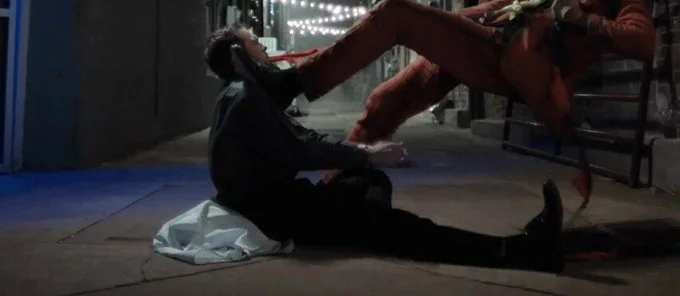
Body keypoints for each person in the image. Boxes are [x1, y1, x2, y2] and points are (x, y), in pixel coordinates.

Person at [232, 0, 656, 205]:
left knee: (395, 12)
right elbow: (495, 9)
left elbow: (642, 41)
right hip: (495, 53)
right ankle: (335, 188)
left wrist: (582, 19)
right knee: (385, 99)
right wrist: (443, 28)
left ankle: (291, 83)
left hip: (531, 71)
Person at [204, 24, 566, 273]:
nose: (265, 47)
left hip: (277, 202)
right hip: (274, 213)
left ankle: (365, 224)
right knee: (400, 225)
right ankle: (520, 251)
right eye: (255, 42)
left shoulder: (241, 94)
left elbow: (301, 137)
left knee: (368, 180)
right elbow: (301, 149)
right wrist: (367, 153)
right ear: (237, 56)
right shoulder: (246, 97)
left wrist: (363, 154)